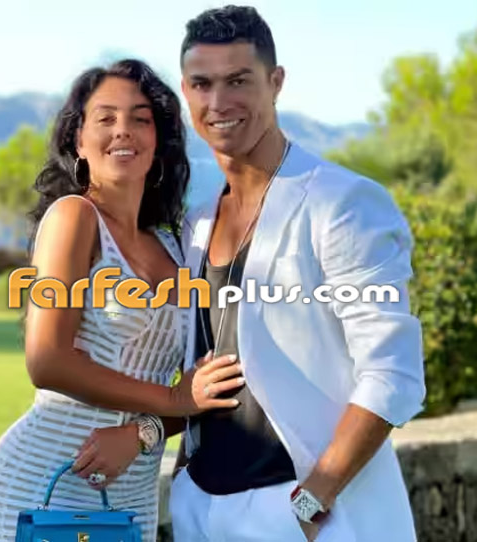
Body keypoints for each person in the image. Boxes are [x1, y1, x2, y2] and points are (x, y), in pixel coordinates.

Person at [168, 6, 426, 542]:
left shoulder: (342, 203)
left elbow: (393, 375)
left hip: (310, 513)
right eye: (202, 84)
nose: (218, 102)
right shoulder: (197, 222)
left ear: (276, 82)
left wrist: (311, 501)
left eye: (239, 80)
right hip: (202, 511)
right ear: (186, 91)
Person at [0, 59, 243, 542]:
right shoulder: (74, 218)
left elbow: (199, 392)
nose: (123, 130)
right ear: (79, 140)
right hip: (44, 482)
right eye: (106, 117)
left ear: (158, 142)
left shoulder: (175, 246)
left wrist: (143, 432)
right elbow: (47, 361)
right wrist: (173, 398)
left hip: (131, 495)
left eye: (140, 119)